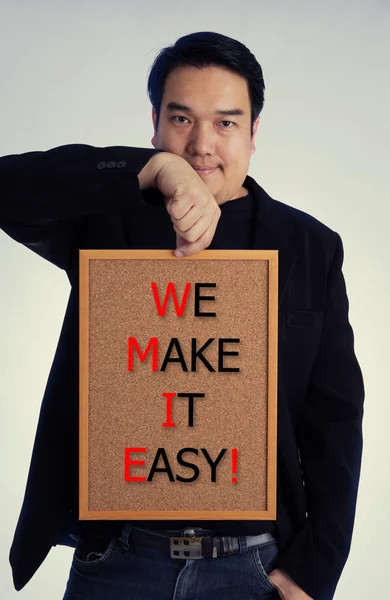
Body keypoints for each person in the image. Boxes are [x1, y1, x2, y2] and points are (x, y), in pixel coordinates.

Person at [0, 32, 364, 600]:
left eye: (225, 122)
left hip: (253, 571)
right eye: (181, 119)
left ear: (253, 132)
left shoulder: (309, 247)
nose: (202, 145)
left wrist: (314, 570)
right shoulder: (109, 224)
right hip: (118, 562)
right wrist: (150, 172)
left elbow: (336, 416)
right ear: (155, 123)